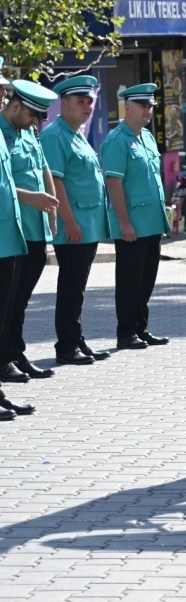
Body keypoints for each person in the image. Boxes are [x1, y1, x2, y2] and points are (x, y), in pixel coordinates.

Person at [42, 75, 113, 366]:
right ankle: (67, 345)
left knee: (78, 287)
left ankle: (77, 339)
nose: (87, 107)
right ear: (64, 103)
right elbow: (55, 182)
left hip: (87, 223)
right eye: (80, 102)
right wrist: (68, 221)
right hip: (74, 225)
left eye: (89, 102)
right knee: (71, 287)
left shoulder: (75, 133)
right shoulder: (55, 135)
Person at [101, 83, 170, 350]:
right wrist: (124, 223)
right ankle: (126, 332)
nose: (148, 110)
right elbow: (114, 184)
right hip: (132, 225)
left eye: (150, 106)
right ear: (127, 108)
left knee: (146, 280)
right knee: (129, 281)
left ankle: (141, 328)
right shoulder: (117, 140)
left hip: (152, 223)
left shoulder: (147, 137)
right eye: (143, 106)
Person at [0, 80, 60, 384]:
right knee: (9, 300)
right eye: (32, 114)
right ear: (15, 106)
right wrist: (32, 199)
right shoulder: (3, 133)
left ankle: (15, 353)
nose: (35, 121)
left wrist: (53, 213)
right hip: (15, 229)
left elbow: (43, 168)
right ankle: (7, 357)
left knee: (20, 299)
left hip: (34, 228)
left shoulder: (27, 132)